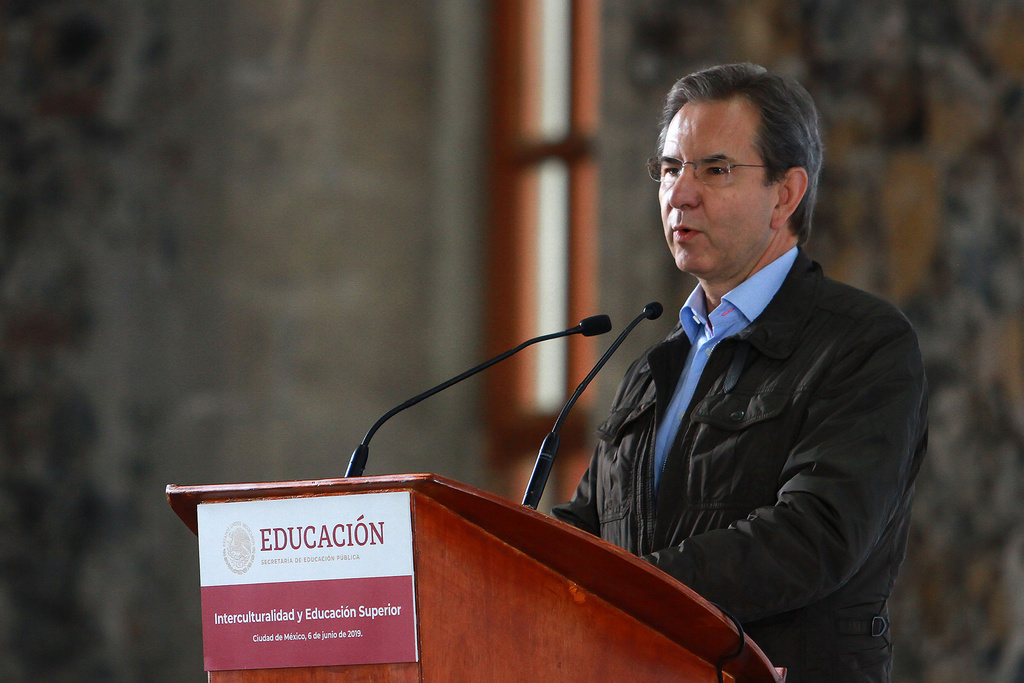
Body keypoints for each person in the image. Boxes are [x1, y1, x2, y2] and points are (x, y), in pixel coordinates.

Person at [552, 63, 928, 683]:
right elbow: (593, 527)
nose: (680, 193)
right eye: (670, 168)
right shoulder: (657, 366)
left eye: (715, 170)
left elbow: (814, 536)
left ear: (785, 194)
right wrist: (491, 553)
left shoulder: (862, 344)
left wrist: (635, 589)